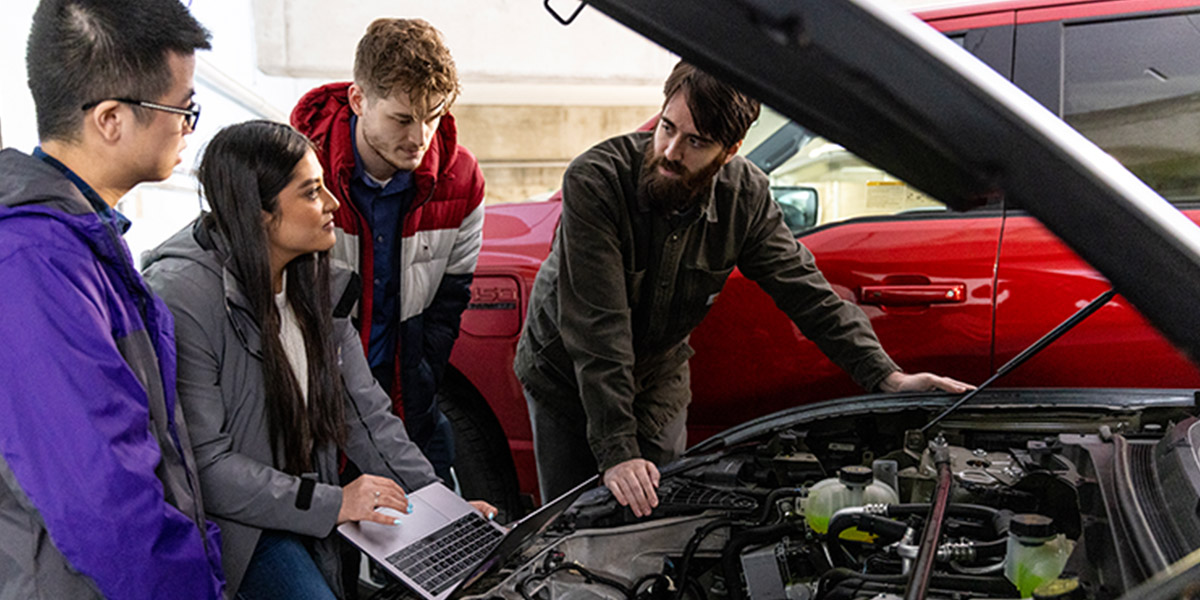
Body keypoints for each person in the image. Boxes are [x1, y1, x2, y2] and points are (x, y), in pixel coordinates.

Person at [514, 61, 973, 516]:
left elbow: (805, 289)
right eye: (667, 127)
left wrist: (884, 374)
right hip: (568, 373)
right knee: (570, 524)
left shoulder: (745, 197)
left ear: (729, 150)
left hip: (658, 374)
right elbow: (599, 324)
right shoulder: (596, 180)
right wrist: (616, 450)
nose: (671, 151)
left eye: (695, 142)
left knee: (658, 515)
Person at [142, 120, 495, 599]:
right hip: (237, 527)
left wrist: (440, 510)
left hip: (310, 506)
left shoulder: (317, 283)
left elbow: (368, 416)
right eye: (312, 192)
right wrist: (333, 502)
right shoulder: (184, 295)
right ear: (260, 213)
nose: (331, 204)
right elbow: (205, 465)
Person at [0, 1, 224, 598]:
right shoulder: (34, 263)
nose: (187, 125)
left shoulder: (83, 240)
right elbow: (104, 502)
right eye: (183, 108)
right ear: (110, 119)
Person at [291, 18, 485, 483]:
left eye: (433, 116)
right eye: (402, 119)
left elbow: (449, 303)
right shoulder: (298, 171)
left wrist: (421, 378)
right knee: (328, 549)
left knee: (438, 534)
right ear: (359, 101)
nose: (420, 137)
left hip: (410, 402)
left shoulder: (462, 180)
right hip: (315, 407)